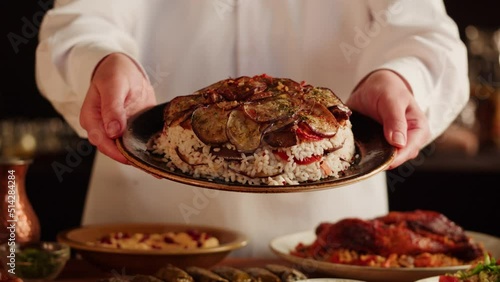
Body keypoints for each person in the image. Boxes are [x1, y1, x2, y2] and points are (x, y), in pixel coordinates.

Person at [35, 0, 469, 257]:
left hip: (328, 228)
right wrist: (99, 60)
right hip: (146, 228)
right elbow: (78, 18)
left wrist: (400, 77)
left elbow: (425, 32)